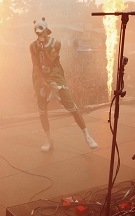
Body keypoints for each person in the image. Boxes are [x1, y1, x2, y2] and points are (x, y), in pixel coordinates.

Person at [29, 18, 98, 152]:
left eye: (40, 30)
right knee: (42, 112)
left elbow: (49, 61)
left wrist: (43, 47)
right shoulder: (32, 46)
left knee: (72, 107)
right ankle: (48, 140)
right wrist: (43, 83)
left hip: (56, 77)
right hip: (41, 79)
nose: (38, 34)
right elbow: (36, 66)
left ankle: (87, 136)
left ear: (46, 30)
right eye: (36, 31)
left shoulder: (56, 43)